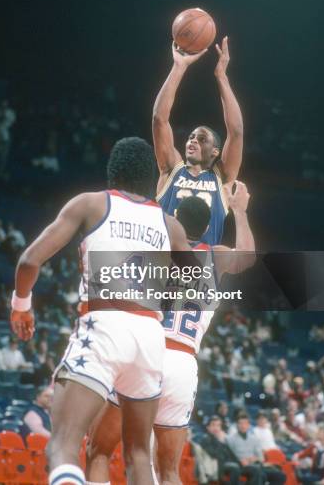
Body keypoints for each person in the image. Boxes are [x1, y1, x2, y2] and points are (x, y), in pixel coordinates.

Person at [10, 137, 193, 485]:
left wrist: (21, 305)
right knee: (139, 454)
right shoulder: (170, 225)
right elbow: (192, 284)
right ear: (151, 177)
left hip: (105, 322)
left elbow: (29, 260)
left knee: (63, 445)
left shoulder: (92, 203)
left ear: (113, 171)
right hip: (151, 337)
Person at [86, 182, 255, 485]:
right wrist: (240, 211)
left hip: (146, 351)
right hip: (183, 363)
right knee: (169, 471)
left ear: (175, 217)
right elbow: (247, 256)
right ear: (206, 229)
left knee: (99, 451)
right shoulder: (215, 256)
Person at [152, 37, 243, 245]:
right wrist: (179, 66)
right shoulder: (171, 169)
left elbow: (236, 131)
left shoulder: (221, 177)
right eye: (191, 137)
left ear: (215, 152)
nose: (192, 141)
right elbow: (159, 119)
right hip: (163, 267)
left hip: (201, 269)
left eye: (202, 139)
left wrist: (221, 77)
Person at [227, 413, 286, 485]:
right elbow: (230, 456)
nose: (243, 426)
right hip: (241, 466)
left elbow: (261, 457)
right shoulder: (230, 439)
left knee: (280, 475)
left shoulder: (254, 438)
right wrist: (241, 461)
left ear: (248, 425)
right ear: (237, 425)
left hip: (255, 465)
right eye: (240, 423)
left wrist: (254, 459)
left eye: (245, 423)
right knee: (258, 472)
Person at [200, 415, 242, 485]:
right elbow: (214, 455)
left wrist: (240, 463)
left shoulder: (219, 438)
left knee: (250, 468)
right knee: (234, 467)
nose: (216, 428)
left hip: (225, 465)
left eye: (218, 425)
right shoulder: (205, 440)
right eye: (213, 425)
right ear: (208, 427)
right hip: (215, 466)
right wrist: (221, 441)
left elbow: (231, 454)